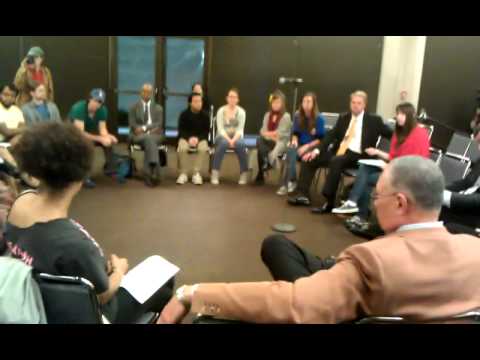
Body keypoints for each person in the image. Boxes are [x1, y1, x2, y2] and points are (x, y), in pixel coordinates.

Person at [158, 156, 480, 324]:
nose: (370, 202)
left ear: (399, 203)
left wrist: (192, 293)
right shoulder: (474, 250)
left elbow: (294, 304)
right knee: (280, 246)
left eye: (376, 195)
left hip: (335, 299)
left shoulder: (370, 263)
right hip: (347, 286)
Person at [1, 122, 174, 324]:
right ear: (81, 176)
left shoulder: (20, 202)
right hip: (90, 315)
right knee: (164, 281)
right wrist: (119, 271)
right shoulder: (74, 244)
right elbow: (101, 295)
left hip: (35, 303)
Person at [288, 91, 392, 214]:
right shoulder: (344, 117)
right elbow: (330, 135)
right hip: (339, 151)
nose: (355, 105)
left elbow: (392, 134)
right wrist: (316, 150)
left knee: (336, 161)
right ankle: (303, 194)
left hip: (359, 155)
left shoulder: (374, 120)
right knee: (310, 157)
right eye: (353, 102)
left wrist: (406, 133)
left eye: (359, 103)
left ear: (364, 105)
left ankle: (329, 202)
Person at [332, 103, 430, 231]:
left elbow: (414, 163)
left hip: (408, 175)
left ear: (410, 116)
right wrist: (377, 152)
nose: (398, 117)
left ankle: (359, 212)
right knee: (365, 167)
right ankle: (353, 205)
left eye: (402, 114)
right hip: (395, 169)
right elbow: (394, 156)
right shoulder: (399, 132)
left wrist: (390, 167)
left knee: (366, 178)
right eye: (397, 113)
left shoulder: (419, 134)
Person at [276, 92, 325, 195]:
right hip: (299, 144)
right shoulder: (298, 115)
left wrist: (306, 146)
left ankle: (287, 183)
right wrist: (294, 141)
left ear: (313, 103)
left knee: (294, 154)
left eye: (309, 101)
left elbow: (321, 139)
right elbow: (295, 133)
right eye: (304, 101)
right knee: (291, 150)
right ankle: (291, 181)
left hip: (312, 146)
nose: (306, 104)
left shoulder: (319, 118)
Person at [69, 89, 118, 189]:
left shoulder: (102, 110)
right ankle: (84, 177)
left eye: (100, 102)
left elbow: (102, 129)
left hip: (88, 135)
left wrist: (108, 137)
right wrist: (100, 139)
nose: (97, 104)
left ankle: (110, 170)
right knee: (86, 144)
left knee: (108, 143)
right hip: (72, 136)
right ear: (90, 99)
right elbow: (80, 133)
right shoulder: (79, 108)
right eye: (95, 100)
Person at [440, 129, 480, 236]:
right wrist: (440, 188)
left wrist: (445, 196)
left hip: (475, 217)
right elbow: (466, 182)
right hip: (463, 205)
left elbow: (477, 200)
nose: (476, 140)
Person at [0, 84, 38, 189]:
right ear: (0, 94)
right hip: (2, 143)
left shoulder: (17, 110)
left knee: (29, 141)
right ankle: (23, 175)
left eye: (12, 96)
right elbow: (6, 132)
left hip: (15, 140)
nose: (8, 98)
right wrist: (16, 131)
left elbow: (24, 128)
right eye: (5, 94)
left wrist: (14, 132)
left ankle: (27, 174)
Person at [128, 83, 165, 187]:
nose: (147, 94)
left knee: (150, 139)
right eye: (144, 91)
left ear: (152, 93)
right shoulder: (133, 108)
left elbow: (159, 124)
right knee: (149, 139)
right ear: (140, 93)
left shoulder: (158, 108)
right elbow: (133, 125)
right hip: (138, 136)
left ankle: (148, 172)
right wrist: (150, 129)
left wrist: (144, 128)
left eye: (149, 92)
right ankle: (154, 168)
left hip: (156, 135)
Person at [211, 88, 248, 185]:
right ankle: (215, 172)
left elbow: (240, 129)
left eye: (234, 97)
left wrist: (233, 140)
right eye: (230, 96)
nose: (232, 99)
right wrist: (229, 140)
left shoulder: (241, 112)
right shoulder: (221, 111)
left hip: (236, 136)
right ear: (227, 98)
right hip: (222, 136)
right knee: (223, 143)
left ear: (237, 99)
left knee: (240, 144)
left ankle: (244, 173)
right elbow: (220, 129)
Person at [254, 90, 292, 185]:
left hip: (280, 143)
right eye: (274, 102)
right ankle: (267, 163)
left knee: (260, 147)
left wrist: (268, 134)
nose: (275, 104)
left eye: (278, 102)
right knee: (259, 140)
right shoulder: (267, 115)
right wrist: (269, 134)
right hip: (269, 141)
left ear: (282, 104)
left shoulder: (286, 116)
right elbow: (262, 131)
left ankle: (261, 174)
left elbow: (280, 133)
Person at [176, 92, 210, 185]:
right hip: (186, 138)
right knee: (182, 147)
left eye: (200, 101)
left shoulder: (205, 116)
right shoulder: (183, 115)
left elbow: (206, 132)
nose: (199, 103)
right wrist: (189, 139)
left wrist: (198, 139)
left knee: (203, 148)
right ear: (190, 103)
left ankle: (196, 173)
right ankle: (183, 173)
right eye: (196, 101)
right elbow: (181, 130)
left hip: (200, 138)